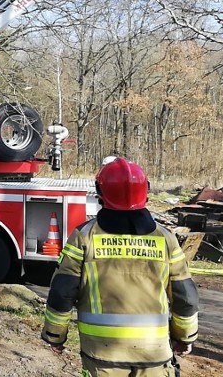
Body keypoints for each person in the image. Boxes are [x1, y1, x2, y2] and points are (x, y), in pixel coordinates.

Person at [41, 157, 199, 377]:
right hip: (154, 354)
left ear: (101, 194)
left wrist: (54, 335)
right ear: (146, 193)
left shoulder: (84, 236)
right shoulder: (166, 238)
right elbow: (186, 296)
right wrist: (185, 336)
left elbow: (62, 291)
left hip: (102, 354)